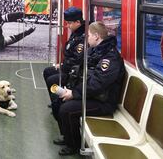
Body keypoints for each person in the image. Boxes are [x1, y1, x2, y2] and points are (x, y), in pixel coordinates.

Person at [54, 21, 125, 155]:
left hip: (104, 101)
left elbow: (98, 84)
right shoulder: (95, 51)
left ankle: (73, 145)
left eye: (89, 35)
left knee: (66, 109)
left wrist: (74, 93)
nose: (87, 38)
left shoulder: (110, 58)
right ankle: (68, 136)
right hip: (93, 95)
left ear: (97, 36)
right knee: (59, 101)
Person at [43, 6, 85, 116]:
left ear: (78, 22)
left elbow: (77, 60)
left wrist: (62, 66)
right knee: (47, 71)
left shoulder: (83, 36)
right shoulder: (77, 32)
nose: (67, 25)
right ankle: (56, 101)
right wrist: (62, 64)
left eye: (69, 23)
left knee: (52, 79)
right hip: (68, 68)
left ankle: (59, 105)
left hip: (74, 73)